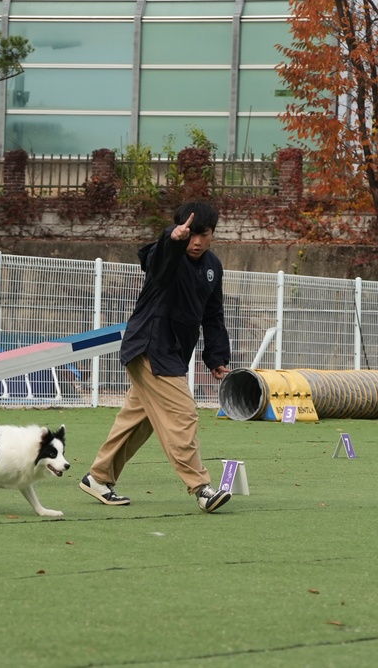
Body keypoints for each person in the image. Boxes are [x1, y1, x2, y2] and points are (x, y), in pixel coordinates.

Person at [79, 200, 232, 513]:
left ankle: (98, 477)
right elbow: (154, 259)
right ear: (181, 230)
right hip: (150, 345)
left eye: (205, 234)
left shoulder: (213, 268)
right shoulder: (169, 254)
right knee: (183, 413)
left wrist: (216, 356)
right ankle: (201, 488)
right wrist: (171, 239)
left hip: (174, 351)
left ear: (213, 235)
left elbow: (213, 315)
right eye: (192, 234)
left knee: (139, 421)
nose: (198, 241)